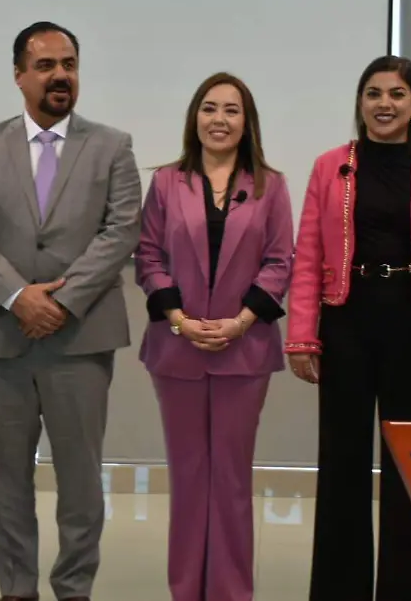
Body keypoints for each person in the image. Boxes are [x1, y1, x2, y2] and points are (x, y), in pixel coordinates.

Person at [0, 21, 142, 601]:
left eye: (69, 64)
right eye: (45, 65)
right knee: (8, 479)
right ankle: (16, 588)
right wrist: (17, 296)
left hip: (80, 339)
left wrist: (59, 300)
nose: (60, 75)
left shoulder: (113, 145)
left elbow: (121, 230)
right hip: (2, 337)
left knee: (81, 480)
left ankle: (73, 588)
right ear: (18, 75)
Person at [285, 55, 411, 600]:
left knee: (409, 468)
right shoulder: (329, 167)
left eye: (396, 94)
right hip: (345, 323)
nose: (384, 104)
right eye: (373, 93)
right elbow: (307, 256)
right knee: (342, 463)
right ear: (360, 103)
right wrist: (303, 333)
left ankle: (403, 590)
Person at [135, 72, 293, 601]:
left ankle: (229, 592)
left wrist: (241, 321)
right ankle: (186, 589)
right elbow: (149, 256)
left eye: (231, 110)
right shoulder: (165, 183)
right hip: (177, 346)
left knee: (229, 479)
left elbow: (278, 263)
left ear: (246, 122)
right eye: (209, 108)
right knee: (187, 477)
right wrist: (178, 319)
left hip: (242, 350)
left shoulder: (270, 184)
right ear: (194, 118)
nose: (219, 119)